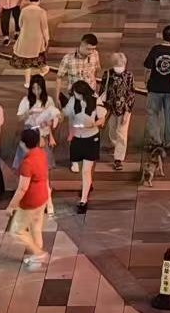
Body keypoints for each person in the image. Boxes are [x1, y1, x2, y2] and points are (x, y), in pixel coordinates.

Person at [3, 127, 51, 268]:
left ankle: (38, 253)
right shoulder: (42, 153)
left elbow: (22, 188)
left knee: (17, 231)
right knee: (35, 227)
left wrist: (11, 206)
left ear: (23, 144)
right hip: (42, 197)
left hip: (30, 202)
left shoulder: (27, 163)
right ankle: (37, 258)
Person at [63, 81, 104, 213]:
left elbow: (102, 119)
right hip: (77, 138)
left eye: (78, 94)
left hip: (91, 138)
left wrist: (93, 124)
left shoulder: (95, 100)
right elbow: (67, 113)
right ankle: (87, 184)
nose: (76, 96)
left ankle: (83, 200)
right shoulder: (72, 101)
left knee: (86, 170)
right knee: (83, 169)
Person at [143, 25, 170, 152]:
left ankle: (155, 141)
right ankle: (169, 141)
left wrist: (146, 82)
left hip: (154, 88)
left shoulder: (155, 49)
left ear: (162, 36)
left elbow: (148, 68)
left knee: (153, 114)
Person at [99, 52, 136, 169]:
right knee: (112, 131)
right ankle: (116, 146)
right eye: (117, 65)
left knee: (121, 133)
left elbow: (131, 94)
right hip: (110, 109)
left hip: (123, 109)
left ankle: (118, 158)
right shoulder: (107, 74)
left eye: (121, 65)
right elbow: (102, 91)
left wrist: (128, 111)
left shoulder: (129, 75)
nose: (119, 67)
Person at [12, 0, 51, 77]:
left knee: (27, 61)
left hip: (25, 38)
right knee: (39, 59)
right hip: (37, 40)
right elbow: (44, 28)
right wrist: (47, 39)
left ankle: (27, 81)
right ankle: (42, 72)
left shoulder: (24, 10)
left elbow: (20, 24)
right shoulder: (42, 12)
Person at [57, 32, 101, 97]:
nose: (91, 52)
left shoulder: (95, 54)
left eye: (93, 49)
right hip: (75, 94)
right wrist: (57, 97)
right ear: (82, 44)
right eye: (89, 49)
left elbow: (97, 70)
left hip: (90, 93)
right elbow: (59, 77)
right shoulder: (68, 58)